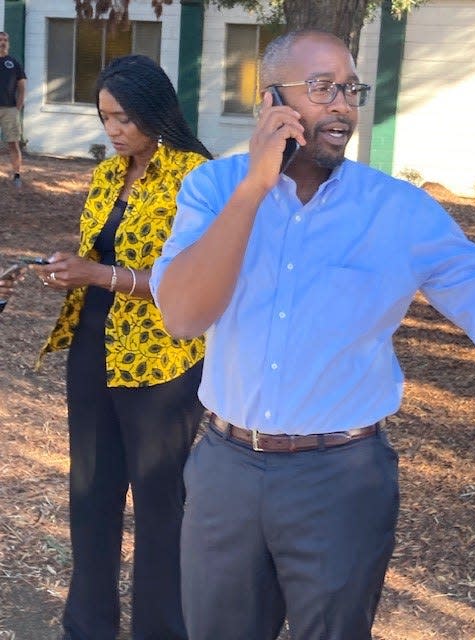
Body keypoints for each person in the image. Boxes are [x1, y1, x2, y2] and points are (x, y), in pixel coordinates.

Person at [150, 29, 475, 640]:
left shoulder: (400, 211)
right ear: (271, 99)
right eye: (322, 87)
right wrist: (253, 187)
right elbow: (184, 316)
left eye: (350, 89)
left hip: (342, 478)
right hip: (226, 471)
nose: (343, 106)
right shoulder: (213, 189)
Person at [35, 55, 211, 640]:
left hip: (160, 361)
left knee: (161, 506)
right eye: (105, 117)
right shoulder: (111, 173)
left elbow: (183, 282)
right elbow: (101, 253)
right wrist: (67, 269)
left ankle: (162, 630)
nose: (113, 130)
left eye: (123, 118)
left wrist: (97, 274)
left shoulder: (195, 177)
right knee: (91, 491)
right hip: (93, 347)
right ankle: (87, 626)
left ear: (155, 111)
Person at [0, 31, 26, 187]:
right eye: (0, 40)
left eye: (5, 40)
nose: (2, 42)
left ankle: (17, 175)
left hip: (10, 109)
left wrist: (18, 108)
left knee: (13, 143)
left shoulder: (14, 63)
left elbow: (22, 88)